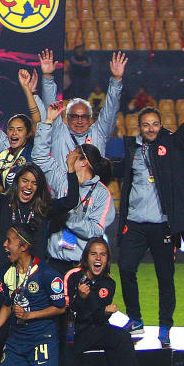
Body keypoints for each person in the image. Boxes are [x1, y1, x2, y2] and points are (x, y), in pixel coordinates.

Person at [114, 84, 184, 347]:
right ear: (139, 126)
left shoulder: (173, 143)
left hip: (163, 225)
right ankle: (135, 319)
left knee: (165, 278)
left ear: (161, 125)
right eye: (146, 125)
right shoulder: (131, 148)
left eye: (155, 124)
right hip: (134, 224)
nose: (151, 128)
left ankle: (165, 326)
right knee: (126, 268)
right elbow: (114, 169)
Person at [0, 225, 99, 366]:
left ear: (23, 246)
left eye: (9, 241)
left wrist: (29, 315)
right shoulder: (7, 272)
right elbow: (7, 305)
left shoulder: (47, 274)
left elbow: (60, 307)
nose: (4, 245)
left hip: (42, 339)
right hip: (16, 340)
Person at [63, 238, 152, 366]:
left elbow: (97, 316)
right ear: (86, 257)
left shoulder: (109, 283)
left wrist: (105, 313)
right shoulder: (73, 276)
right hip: (71, 330)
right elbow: (66, 311)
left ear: (107, 259)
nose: (98, 258)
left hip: (93, 328)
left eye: (103, 254)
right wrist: (81, 298)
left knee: (122, 336)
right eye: (94, 254)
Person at [33, 105, 116, 275]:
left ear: (83, 162)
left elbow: (96, 230)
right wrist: (48, 122)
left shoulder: (101, 193)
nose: (67, 155)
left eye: (73, 154)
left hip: (82, 265)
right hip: (55, 260)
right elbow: (39, 157)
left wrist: (66, 217)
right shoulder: (62, 179)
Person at [40, 49, 127, 161]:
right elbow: (50, 105)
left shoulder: (99, 134)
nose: (79, 121)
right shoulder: (59, 133)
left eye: (84, 116)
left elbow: (111, 110)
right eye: (75, 116)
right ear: (67, 118)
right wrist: (47, 77)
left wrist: (116, 80)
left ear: (90, 119)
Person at [0, 68, 42, 188]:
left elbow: (36, 120)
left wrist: (27, 89)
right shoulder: (5, 147)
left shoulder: (34, 149)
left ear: (28, 133)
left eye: (19, 129)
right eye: (11, 129)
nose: (14, 133)